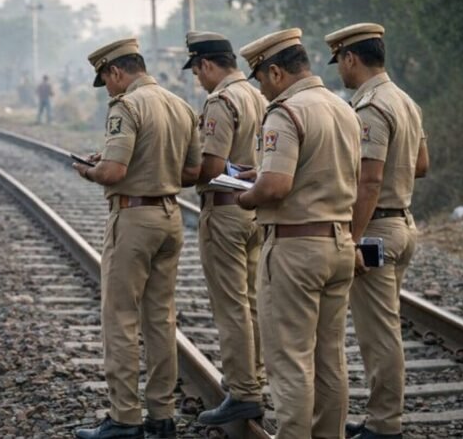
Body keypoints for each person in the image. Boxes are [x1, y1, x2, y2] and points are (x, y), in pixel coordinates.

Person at [72, 38, 201, 439]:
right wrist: (156, 171)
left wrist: (89, 170)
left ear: (115, 71)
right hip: (170, 216)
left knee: (121, 318)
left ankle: (125, 417)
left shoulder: (126, 106)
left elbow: (112, 172)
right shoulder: (181, 105)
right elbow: (193, 173)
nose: (108, 89)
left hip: (133, 219)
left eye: (106, 80)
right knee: (161, 318)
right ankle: (162, 415)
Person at [235, 28, 361, 439]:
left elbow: (276, 187)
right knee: (330, 358)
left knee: (289, 360)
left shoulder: (286, 111)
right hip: (339, 242)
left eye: (260, 79)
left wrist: (246, 197)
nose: (261, 90)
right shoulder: (342, 107)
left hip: (295, 248)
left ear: (274, 72)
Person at [324, 24, 428, 439]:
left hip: (376, 230)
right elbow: (421, 165)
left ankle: (385, 426)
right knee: (384, 327)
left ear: (351, 58)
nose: (341, 72)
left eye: (341, 62)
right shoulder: (404, 101)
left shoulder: (369, 107)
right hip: (403, 222)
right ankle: (381, 419)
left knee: (378, 334)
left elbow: (368, 181)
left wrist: (350, 237)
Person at [181, 31, 267, 425]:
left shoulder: (221, 101)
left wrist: (169, 168)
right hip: (256, 211)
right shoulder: (259, 96)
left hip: (226, 211)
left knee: (230, 305)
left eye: (198, 71)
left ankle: (243, 390)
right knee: (252, 302)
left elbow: (211, 168)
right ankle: (256, 378)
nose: (199, 80)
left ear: (207, 65)